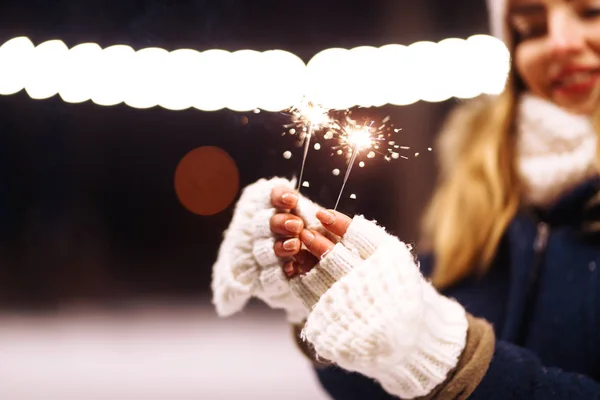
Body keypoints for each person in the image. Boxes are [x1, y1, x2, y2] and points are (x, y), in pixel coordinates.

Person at [211, 0, 600, 398]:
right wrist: (330, 300)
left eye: (591, 12)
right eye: (531, 27)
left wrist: (458, 361)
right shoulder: (482, 197)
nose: (560, 43)